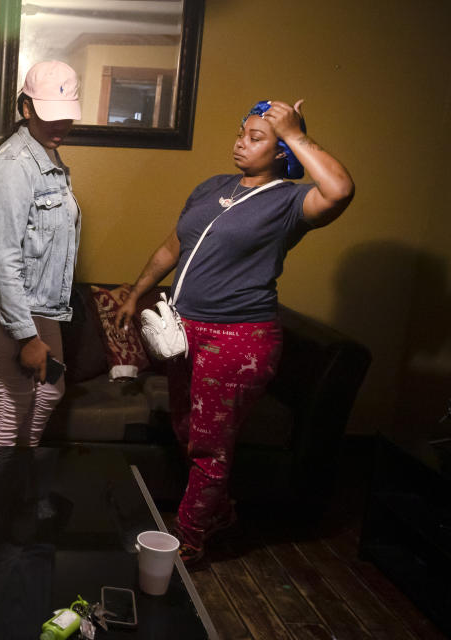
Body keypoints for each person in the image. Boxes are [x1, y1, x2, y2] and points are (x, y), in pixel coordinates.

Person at [115, 99, 355, 564]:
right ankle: (220, 513)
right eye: (241, 132)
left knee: (209, 444)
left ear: (283, 149)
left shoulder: (290, 201)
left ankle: (187, 540)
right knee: (188, 431)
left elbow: (340, 190)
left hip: (238, 338)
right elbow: (172, 245)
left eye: (256, 137)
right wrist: (136, 291)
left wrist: (295, 132)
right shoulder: (212, 187)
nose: (240, 142)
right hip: (185, 334)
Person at [0, 60, 82, 449]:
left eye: (66, 115)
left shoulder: (47, 157)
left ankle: (18, 482)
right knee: (11, 405)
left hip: (36, 304)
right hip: (1, 306)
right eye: (49, 114)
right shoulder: (13, 166)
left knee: (50, 391)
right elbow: (2, 261)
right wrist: (26, 335)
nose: (59, 125)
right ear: (26, 108)